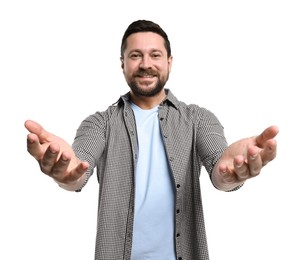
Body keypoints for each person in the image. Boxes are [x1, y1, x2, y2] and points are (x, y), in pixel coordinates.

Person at [24, 20, 279, 260]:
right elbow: (79, 168)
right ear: (122, 63)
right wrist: (66, 175)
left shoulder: (198, 119)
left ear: (169, 62)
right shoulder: (99, 123)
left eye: (155, 55)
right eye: (135, 55)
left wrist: (231, 174)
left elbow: (219, 167)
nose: (146, 63)